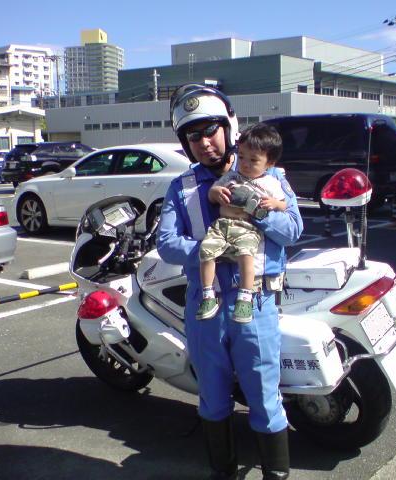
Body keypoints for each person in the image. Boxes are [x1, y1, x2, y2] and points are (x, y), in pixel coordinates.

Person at [157, 84, 302, 479]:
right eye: (193, 136)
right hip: (206, 308)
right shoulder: (182, 188)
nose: (204, 143)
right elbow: (167, 244)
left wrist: (257, 211)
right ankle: (224, 472)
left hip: (256, 303)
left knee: (265, 397)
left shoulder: (270, 176)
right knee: (213, 397)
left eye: (210, 131)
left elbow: (292, 230)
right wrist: (212, 250)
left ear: (229, 128)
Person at [197, 124, 288, 323]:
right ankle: (208, 295)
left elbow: (284, 205)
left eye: (253, 160)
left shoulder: (271, 182)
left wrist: (273, 204)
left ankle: (245, 297)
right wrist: (215, 193)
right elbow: (212, 193)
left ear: (269, 163)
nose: (245, 164)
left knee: (246, 256)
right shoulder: (231, 176)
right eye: (242, 157)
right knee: (206, 251)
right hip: (222, 225)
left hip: (246, 228)